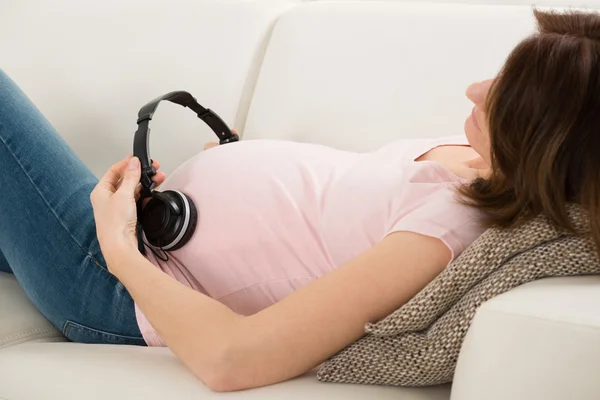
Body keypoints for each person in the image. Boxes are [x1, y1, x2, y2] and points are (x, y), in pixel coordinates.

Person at [1, 8, 599, 392]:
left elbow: (231, 359)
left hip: (116, 287)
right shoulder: (472, 157)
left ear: (539, 139)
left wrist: (117, 249)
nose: (474, 88)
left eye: (501, 95)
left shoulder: (444, 234)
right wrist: (232, 161)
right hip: (137, 236)